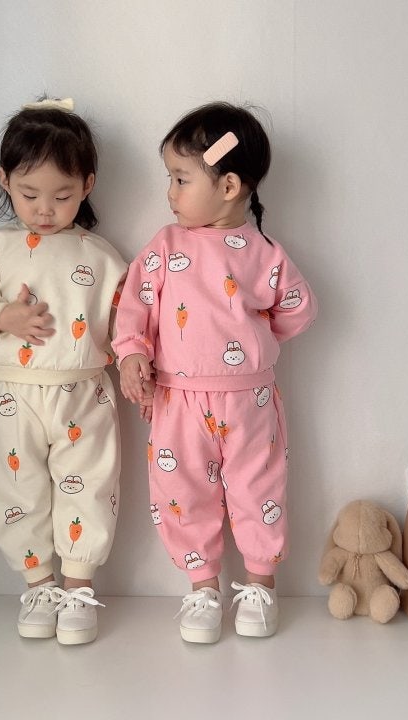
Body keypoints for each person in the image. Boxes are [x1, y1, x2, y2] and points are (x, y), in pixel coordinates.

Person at [113, 101, 317, 643]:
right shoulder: (165, 245)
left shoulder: (263, 253)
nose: (170, 192)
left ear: (228, 185)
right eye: (170, 178)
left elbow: (299, 306)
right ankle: (203, 588)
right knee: (181, 492)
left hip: (249, 402)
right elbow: (134, 304)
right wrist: (132, 353)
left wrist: (254, 342)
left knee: (258, 490)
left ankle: (260, 585)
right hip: (177, 400)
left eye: (181, 179)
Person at [0, 98, 127, 645]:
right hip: (14, 395)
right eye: (29, 194)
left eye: (62, 195)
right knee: (16, 488)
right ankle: (39, 585)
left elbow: (130, 319)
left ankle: (78, 588)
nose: (45, 210)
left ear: (87, 185)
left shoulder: (103, 257)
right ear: (4, 180)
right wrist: (2, 315)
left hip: (83, 393)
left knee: (90, 485)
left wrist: (137, 359)